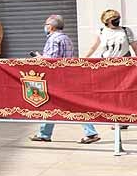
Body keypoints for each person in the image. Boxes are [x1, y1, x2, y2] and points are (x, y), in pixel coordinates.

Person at [30, 14, 98, 144]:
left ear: (51, 26)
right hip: (67, 75)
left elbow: (52, 60)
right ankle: (44, 133)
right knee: (53, 104)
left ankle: (90, 133)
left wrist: (39, 58)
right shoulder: (66, 38)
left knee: (59, 104)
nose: (45, 27)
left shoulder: (53, 39)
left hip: (56, 78)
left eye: (46, 24)